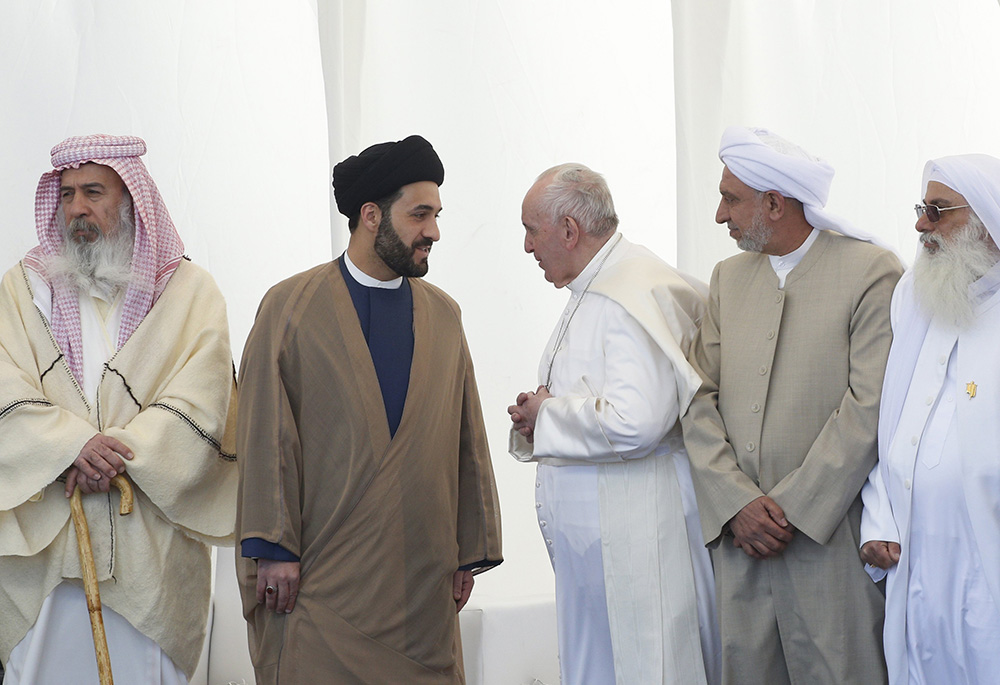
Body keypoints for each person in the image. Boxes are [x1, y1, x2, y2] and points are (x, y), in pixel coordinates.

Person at [236, 134, 503, 684]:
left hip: (422, 594)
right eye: (420, 214)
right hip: (322, 588)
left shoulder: (444, 316)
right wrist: (273, 547)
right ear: (371, 215)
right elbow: (265, 432)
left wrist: (466, 552)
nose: (433, 231)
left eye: (436, 215)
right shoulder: (290, 307)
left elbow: (465, 438)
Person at [0, 134, 238, 684]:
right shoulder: (23, 289)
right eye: (66, 195)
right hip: (47, 558)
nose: (77, 208)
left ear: (132, 200)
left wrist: (115, 455)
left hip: (148, 552)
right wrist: (68, 447)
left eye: (93, 192)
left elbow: (202, 397)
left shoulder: (189, 292)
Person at [681, 127, 903, 685]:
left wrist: (790, 512)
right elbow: (696, 395)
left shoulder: (871, 272)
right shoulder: (728, 278)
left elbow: (869, 407)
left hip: (827, 544)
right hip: (742, 545)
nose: (718, 215)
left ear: (775, 203)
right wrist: (736, 503)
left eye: (731, 198)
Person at [507, 163, 720, 685]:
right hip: (605, 547)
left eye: (532, 231)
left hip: (637, 537)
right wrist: (539, 417)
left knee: (650, 666)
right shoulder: (598, 286)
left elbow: (637, 421)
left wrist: (547, 415)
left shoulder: (627, 294)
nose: (528, 247)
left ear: (569, 231)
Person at [860, 154, 1000, 684]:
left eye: (938, 211)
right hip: (917, 568)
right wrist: (879, 518)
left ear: (987, 219)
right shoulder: (915, 300)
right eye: (922, 209)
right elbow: (893, 432)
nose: (921, 225)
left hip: (986, 569)